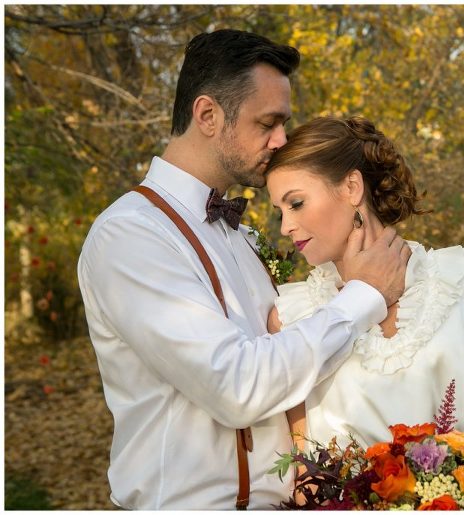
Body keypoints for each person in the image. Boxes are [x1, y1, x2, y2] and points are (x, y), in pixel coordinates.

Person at [77, 30, 410, 510]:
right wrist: (363, 294)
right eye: (268, 123)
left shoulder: (243, 238)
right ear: (208, 115)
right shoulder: (129, 235)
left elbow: (295, 366)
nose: (282, 140)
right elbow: (236, 386)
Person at [265, 116, 464, 471]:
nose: (287, 226)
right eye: (280, 212)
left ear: (351, 187)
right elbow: (304, 471)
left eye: (297, 203)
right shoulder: (291, 317)